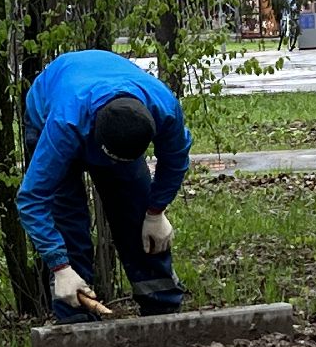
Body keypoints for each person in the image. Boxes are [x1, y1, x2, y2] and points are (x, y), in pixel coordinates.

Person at [17, 50, 192, 322]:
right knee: (68, 222)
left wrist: (156, 210)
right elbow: (32, 199)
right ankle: (77, 322)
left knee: (138, 214)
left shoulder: (164, 109)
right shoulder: (64, 125)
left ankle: (162, 313)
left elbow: (176, 158)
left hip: (109, 110)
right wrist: (59, 265)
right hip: (54, 109)